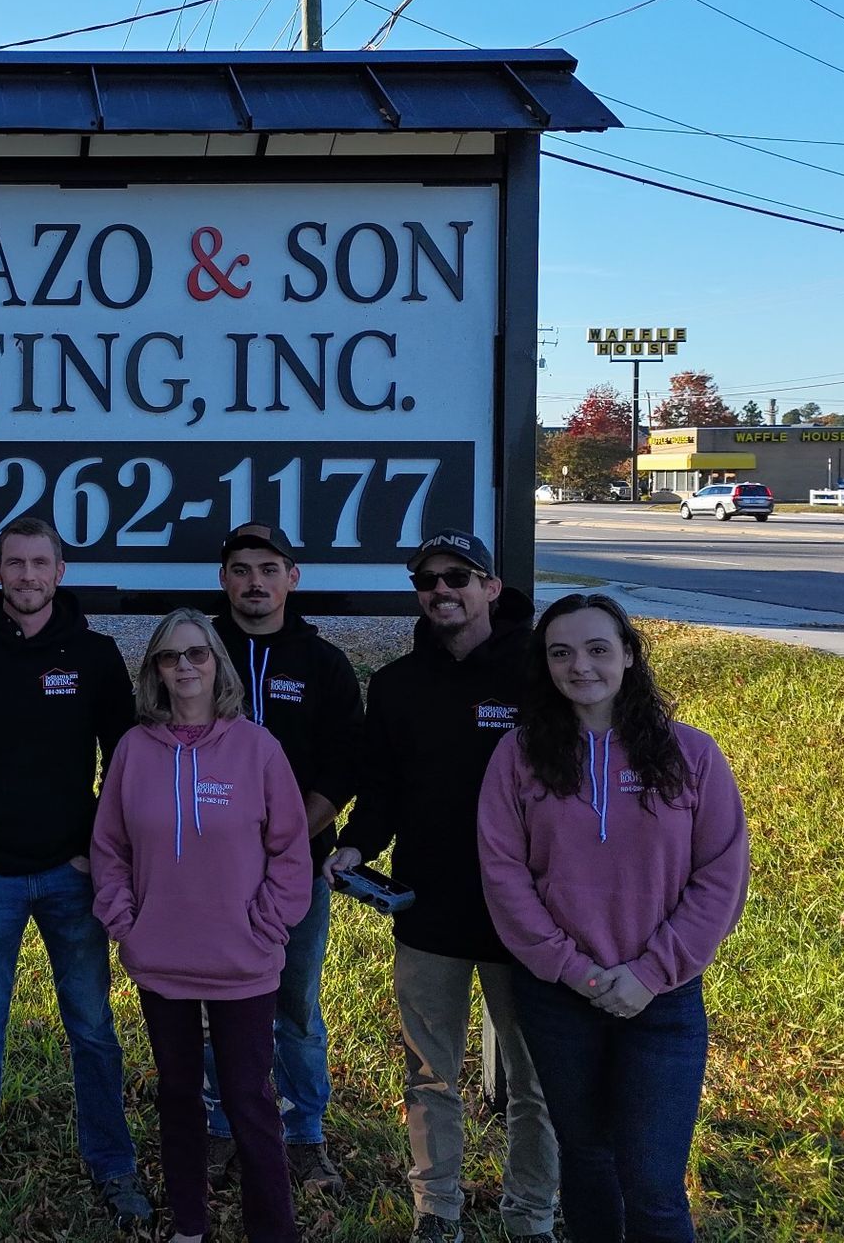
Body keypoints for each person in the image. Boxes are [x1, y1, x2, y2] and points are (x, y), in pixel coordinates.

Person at [479, 595, 749, 1243]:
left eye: (598, 649)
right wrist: (572, 971)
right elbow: (503, 872)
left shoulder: (692, 755)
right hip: (559, 998)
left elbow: (721, 873)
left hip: (662, 1001)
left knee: (653, 1184)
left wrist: (651, 973)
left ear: (628, 654)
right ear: (544, 665)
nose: (581, 666)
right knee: (588, 1160)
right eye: (561, 652)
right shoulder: (518, 756)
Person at [0, 516, 152, 1228]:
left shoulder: (97, 655)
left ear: (60, 571)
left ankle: (112, 1162)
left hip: (72, 873)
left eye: (38, 562)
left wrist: (95, 850)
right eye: (13, 563)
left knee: (92, 1026)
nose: (26, 575)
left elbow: (126, 761)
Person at [327, 531, 559, 1243]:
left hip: (529, 918)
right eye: (427, 580)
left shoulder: (541, 676)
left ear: (492, 587)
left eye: (458, 576)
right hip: (428, 912)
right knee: (429, 1074)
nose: (441, 590)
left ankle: (532, 1215)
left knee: (535, 1085)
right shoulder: (397, 685)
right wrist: (356, 847)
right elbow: (382, 793)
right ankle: (439, 1209)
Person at [92, 608, 316, 1243]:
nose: (184, 667)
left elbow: (291, 849)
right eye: (170, 657)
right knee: (179, 1097)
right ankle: (189, 1225)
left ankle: (273, 1231)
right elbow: (109, 847)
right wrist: (124, 921)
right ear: (155, 671)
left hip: (242, 960)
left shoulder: (257, 748)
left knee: (250, 1102)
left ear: (217, 664)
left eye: (197, 654)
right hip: (160, 958)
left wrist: (268, 924)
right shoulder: (135, 750)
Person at [205, 522, 364, 1194]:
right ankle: (219, 1128)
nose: (255, 582)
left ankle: (303, 1135)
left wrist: (291, 837)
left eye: (269, 568)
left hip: (296, 866)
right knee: (218, 1002)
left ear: (291, 578)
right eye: (241, 569)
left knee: (294, 1003)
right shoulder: (199, 654)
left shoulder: (322, 662)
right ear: (225, 581)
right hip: (208, 870)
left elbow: (345, 763)